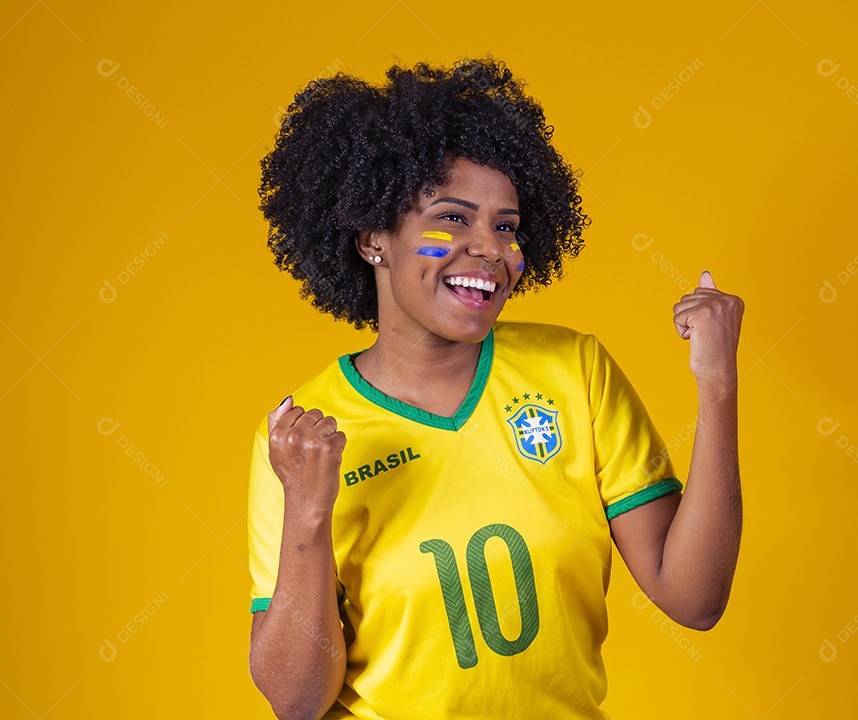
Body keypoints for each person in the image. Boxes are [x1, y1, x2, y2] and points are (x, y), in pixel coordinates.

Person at [246, 57, 744, 720]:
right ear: (373, 239)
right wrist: (309, 514)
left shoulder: (574, 372)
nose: (490, 249)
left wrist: (717, 385)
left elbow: (694, 599)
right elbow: (297, 702)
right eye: (452, 219)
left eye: (505, 227)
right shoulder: (304, 436)